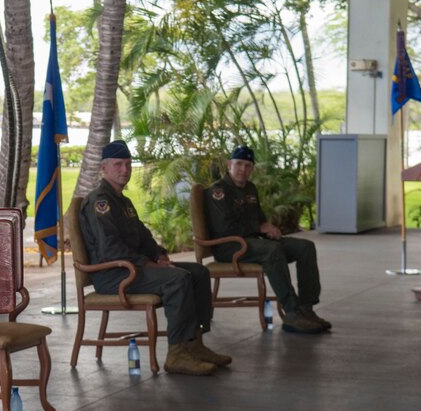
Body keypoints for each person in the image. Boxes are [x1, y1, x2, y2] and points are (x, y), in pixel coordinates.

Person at [79, 140, 231, 376]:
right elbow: (110, 250)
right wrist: (147, 263)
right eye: (118, 164)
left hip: (132, 269)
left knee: (199, 272)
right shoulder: (100, 201)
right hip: (113, 274)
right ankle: (176, 354)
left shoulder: (124, 202)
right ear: (103, 168)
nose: (125, 170)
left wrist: (158, 255)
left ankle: (195, 344)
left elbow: (143, 236)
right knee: (177, 279)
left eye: (128, 164)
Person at [205, 145, 331, 334]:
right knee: (271, 251)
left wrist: (270, 230)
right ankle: (292, 313)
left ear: (252, 169)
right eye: (238, 164)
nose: (242, 170)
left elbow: (260, 219)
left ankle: (306, 308)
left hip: (253, 242)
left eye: (248, 166)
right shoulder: (218, 191)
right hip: (229, 246)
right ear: (229, 165)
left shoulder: (250, 188)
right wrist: (258, 228)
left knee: (305, 247)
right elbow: (225, 228)